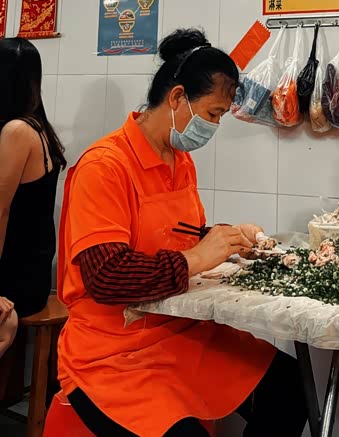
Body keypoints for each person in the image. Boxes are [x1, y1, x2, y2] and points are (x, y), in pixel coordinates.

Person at [58, 28, 308, 437]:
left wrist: (227, 239)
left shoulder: (179, 159)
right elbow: (106, 277)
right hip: (113, 350)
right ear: (177, 98)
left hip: (179, 329)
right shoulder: (104, 166)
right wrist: (197, 257)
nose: (214, 126)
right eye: (213, 114)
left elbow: (180, 233)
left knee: (290, 388)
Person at [0, 37, 66, 327]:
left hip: (15, 278)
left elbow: (1, 211)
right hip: (31, 271)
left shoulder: (16, 131)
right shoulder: (38, 127)